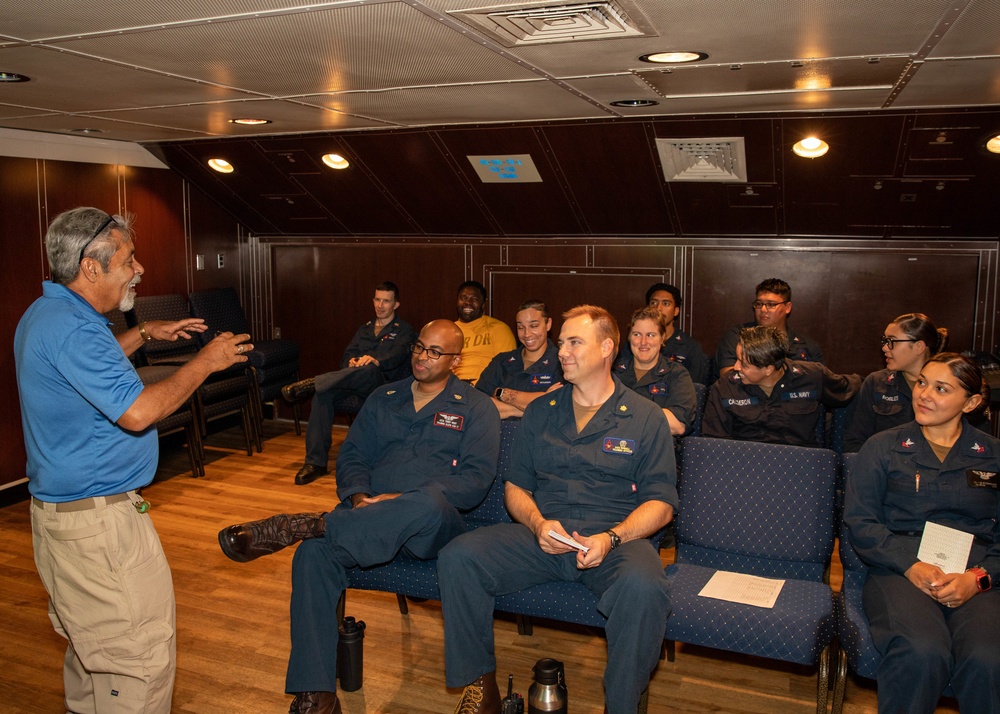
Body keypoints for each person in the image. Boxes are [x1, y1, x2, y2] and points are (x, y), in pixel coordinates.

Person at [14, 207, 252, 714]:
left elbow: (83, 371)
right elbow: (139, 413)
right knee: (136, 661)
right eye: (128, 259)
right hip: (99, 527)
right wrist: (204, 364)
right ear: (91, 267)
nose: (139, 268)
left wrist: (143, 334)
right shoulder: (77, 329)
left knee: (91, 651)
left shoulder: (50, 314)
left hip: (63, 520)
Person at [218, 319, 500, 714]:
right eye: (419, 347)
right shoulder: (384, 396)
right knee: (312, 556)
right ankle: (317, 695)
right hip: (363, 518)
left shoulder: (475, 407)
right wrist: (359, 496)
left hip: (434, 530)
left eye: (435, 352)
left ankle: (309, 525)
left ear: (456, 360)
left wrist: (397, 500)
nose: (422, 357)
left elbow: (474, 480)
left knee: (427, 503)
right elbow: (352, 456)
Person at [439, 305, 677, 714]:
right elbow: (516, 486)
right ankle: (481, 687)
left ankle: (622, 706)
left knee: (645, 588)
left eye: (573, 342)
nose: (561, 351)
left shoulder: (645, 417)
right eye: (561, 341)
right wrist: (537, 523)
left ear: (606, 348)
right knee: (459, 557)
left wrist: (613, 537)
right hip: (544, 534)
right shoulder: (541, 412)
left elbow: (661, 503)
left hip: (615, 539)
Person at [844, 353, 999, 714]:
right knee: (922, 650)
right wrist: (910, 565)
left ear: (972, 402)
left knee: (989, 657)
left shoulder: (992, 455)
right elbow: (861, 521)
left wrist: (977, 578)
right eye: (922, 383)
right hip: (899, 569)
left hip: (974, 573)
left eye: (941, 388)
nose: (924, 394)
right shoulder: (883, 447)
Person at [281, 282, 415, 485]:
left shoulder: (403, 329)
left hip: (381, 385)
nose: (380, 305)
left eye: (386, 301)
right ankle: (315, 463)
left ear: (396, 304)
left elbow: (398, 355)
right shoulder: (365, 328)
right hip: (353, 381)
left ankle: (312, 383)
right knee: (323, 393)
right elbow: (347, 355)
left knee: (368, 368)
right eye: (377, 299)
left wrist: (376, 360)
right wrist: (350, 362)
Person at [702, 325, 860, 447]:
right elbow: (714, 443)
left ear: (769, 369)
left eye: (743, 364)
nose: (735, 367)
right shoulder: (725, 387)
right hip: (745, 464)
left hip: (798, 465)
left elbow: (853, 387)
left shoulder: (812, 376)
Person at [843, 313, 949, 452]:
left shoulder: (951, 386)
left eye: (892, 341)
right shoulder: (876, 383)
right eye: (885, 341)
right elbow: (854, 442)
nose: (885, 348)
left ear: (918, 347)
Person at [714, 278, 823, 378]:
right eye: (759, 304)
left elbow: (817, 381)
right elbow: (727, 376)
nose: (763, 309)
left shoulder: (807, 346)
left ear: (787, 307)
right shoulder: (738, 335)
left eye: (771, 304)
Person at [614, 307, 697, 436]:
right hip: (613, 445)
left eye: (650, 335)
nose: (643, 342)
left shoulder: (676, 374)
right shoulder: (612, 371)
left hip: (655, 448)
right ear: (629, 337)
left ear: (662, 338)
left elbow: (677, 425)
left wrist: (625, 410)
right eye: (637, 334)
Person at [475, 299, 563, 419]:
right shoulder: (501, 361)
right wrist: (529, 407)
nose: (527, 334)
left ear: (548, 324)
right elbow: (478, 405)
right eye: (521, 327)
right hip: (499, 434)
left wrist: (504, 394)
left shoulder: (562, 361)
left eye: (534, 326)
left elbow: (557, 407)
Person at [452, 280, 516, 384]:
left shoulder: (499, 329)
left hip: (485, 390)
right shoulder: (447, 331)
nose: (467, 302)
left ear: (483, 304)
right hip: (451, 389)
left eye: (474, 299)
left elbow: (509, 369)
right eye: (463, 298)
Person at [645, 282, 710, 385]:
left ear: (676, 311)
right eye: (653, 303)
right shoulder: (637, 343)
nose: (658, 309)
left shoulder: (690, 347)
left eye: (666, 303)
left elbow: (694, 389)